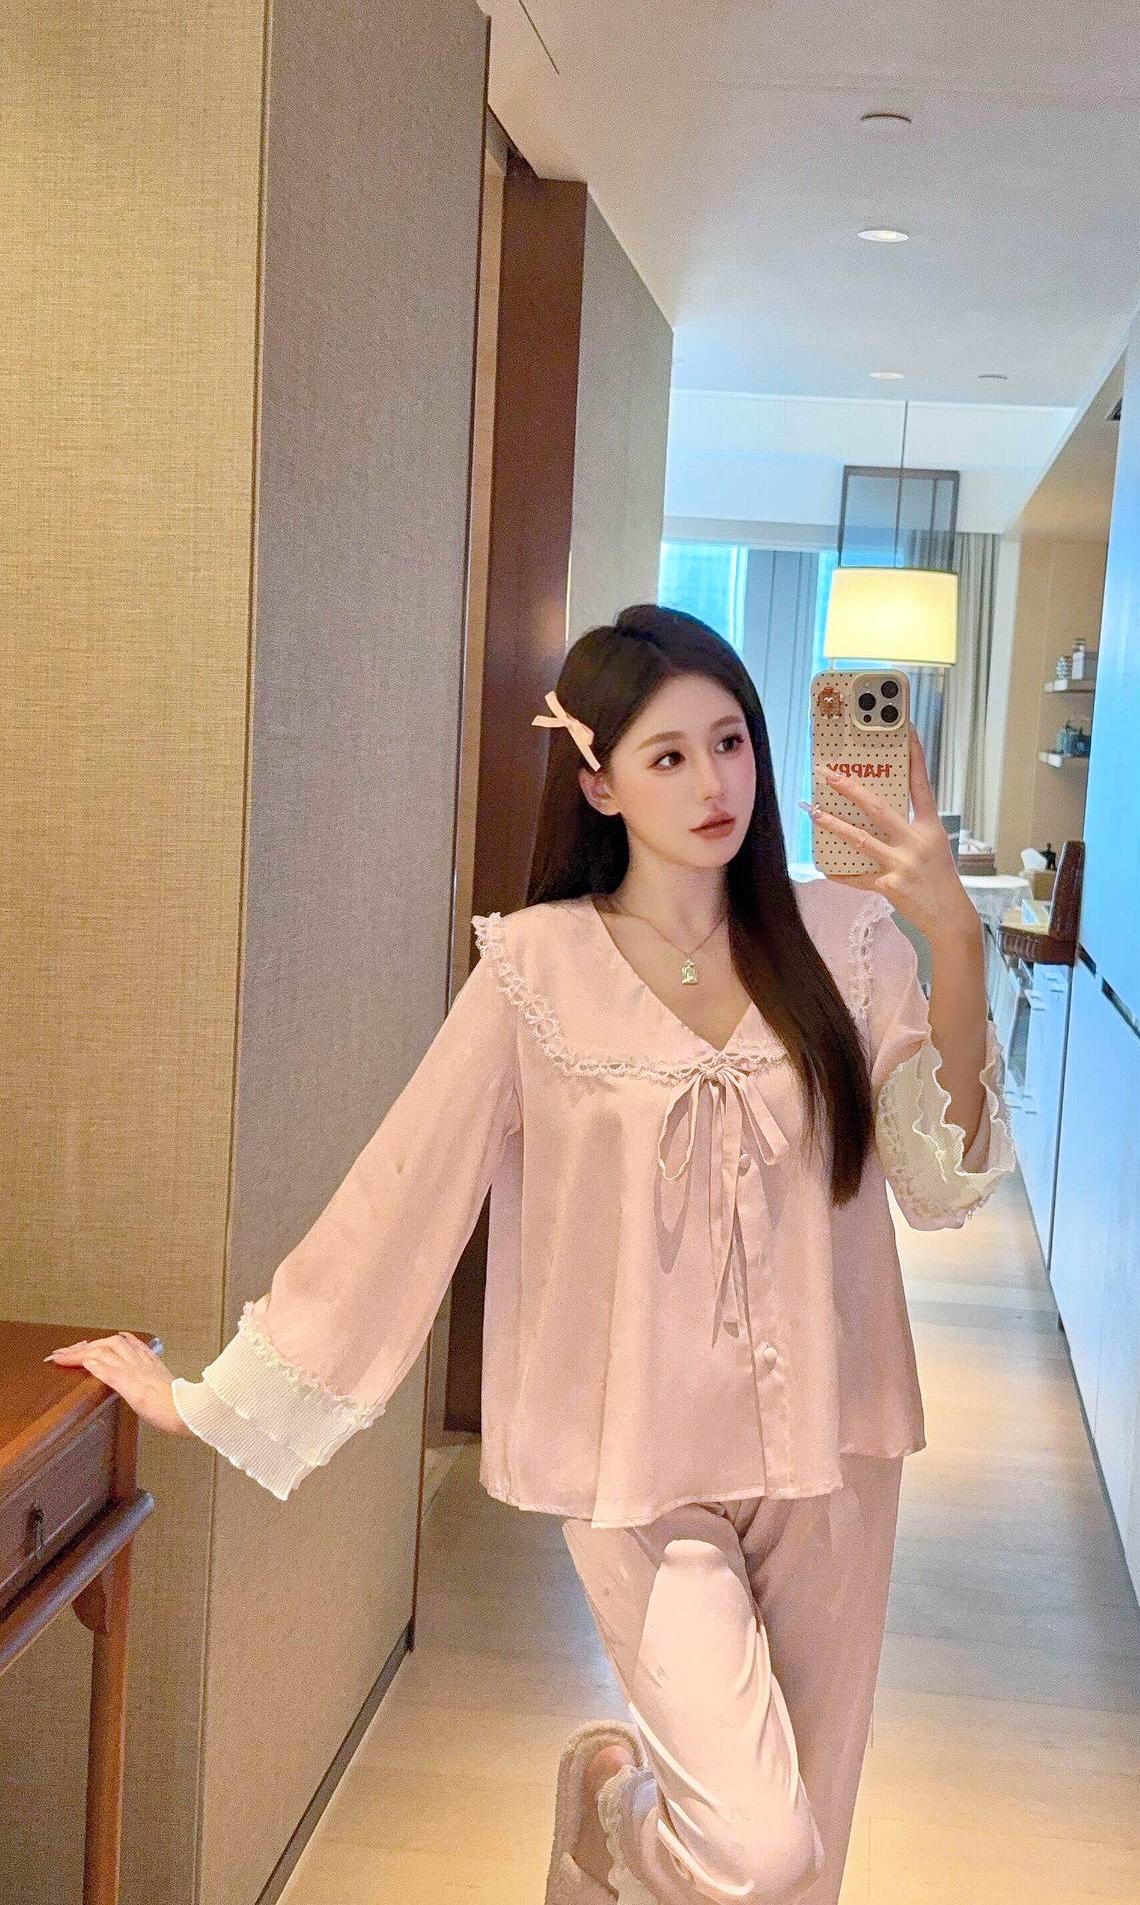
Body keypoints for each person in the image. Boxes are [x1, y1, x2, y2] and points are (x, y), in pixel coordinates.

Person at [45, 604, 1016, 1905]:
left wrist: (953, 941)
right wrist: (209, 1398)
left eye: (731, 741)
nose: (714, 783)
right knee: (757, 1850)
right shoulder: (536, 970)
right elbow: (404, 1193)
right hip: (637, 1464)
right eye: (669, 755)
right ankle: (616, 1814)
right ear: (600, 782)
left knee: (811, 1854)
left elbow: (940, 1179)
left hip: (836, 1446)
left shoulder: (840, 940)